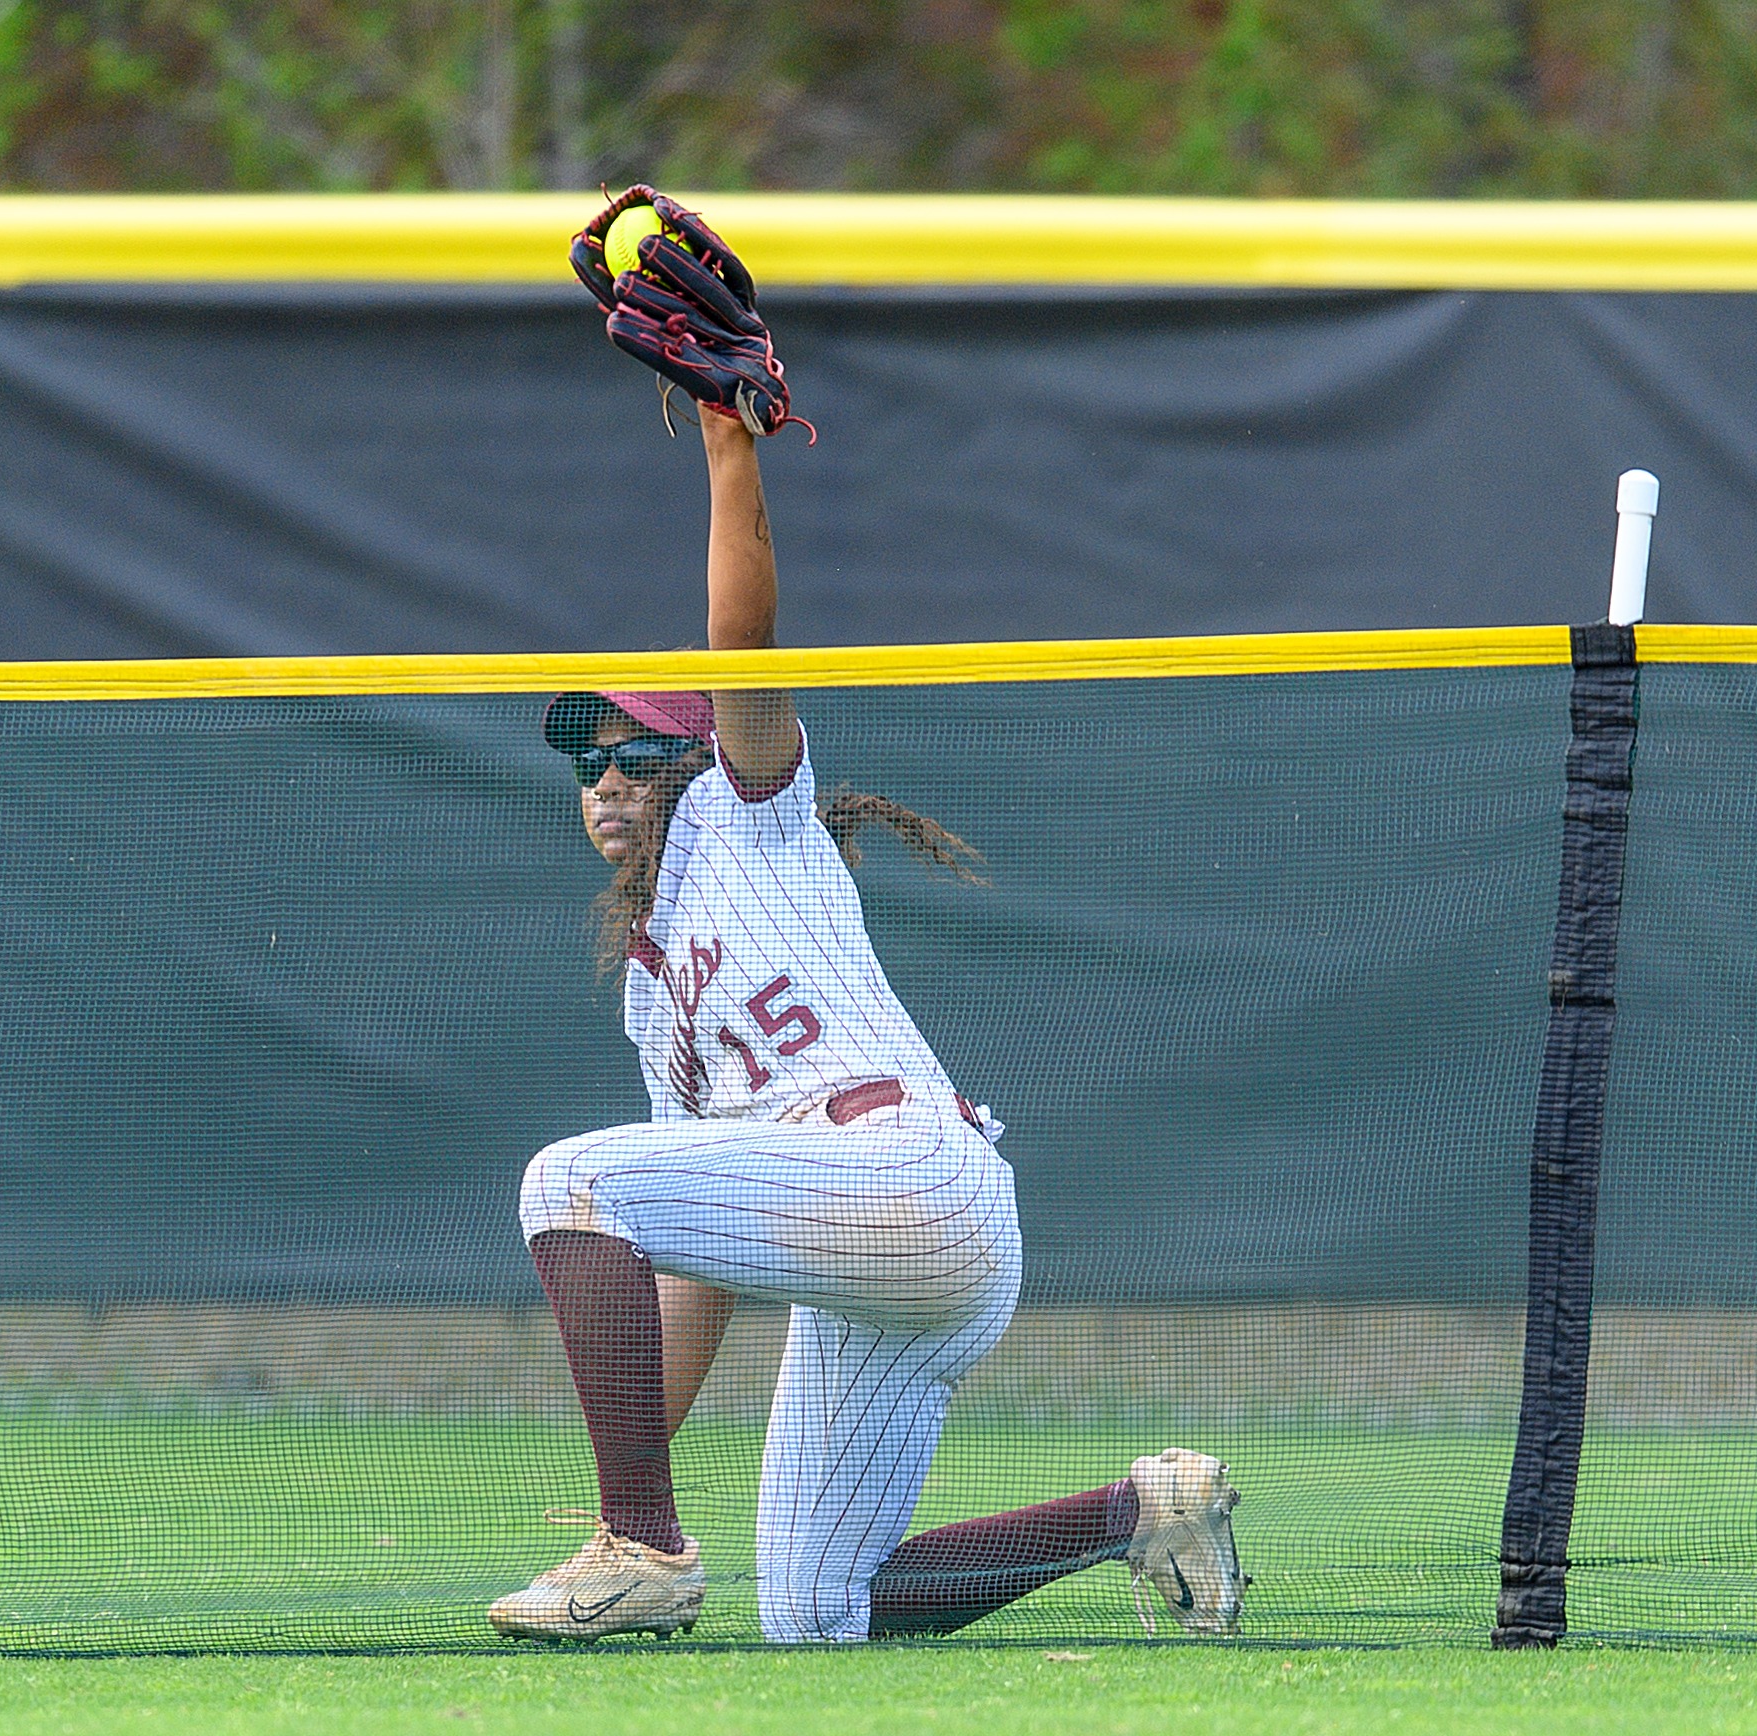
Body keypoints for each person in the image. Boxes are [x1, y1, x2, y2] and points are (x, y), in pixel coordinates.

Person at [487, 399, 1248, 1645]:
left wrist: (731, 446)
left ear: (696, 755)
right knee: (817, 1609)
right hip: (879, 1250)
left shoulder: (748, 818)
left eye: (634, 744)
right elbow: (699, 1272)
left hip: (903, 1175)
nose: (607, 773)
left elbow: (746, 635)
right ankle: (1134, 1510)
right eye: (585, 759)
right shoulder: (648, 990)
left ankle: (646, 1553)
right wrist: (630, 1466)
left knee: (565, 1177)